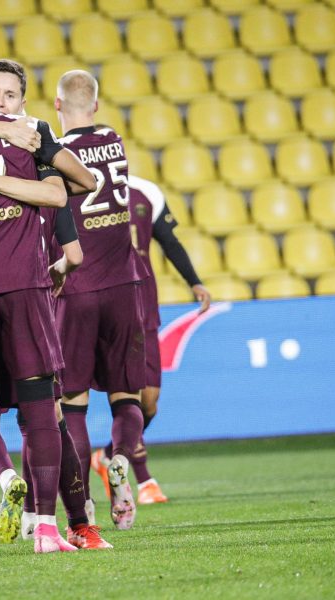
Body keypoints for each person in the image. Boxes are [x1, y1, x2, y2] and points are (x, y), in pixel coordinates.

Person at [0, 58, 110, 549]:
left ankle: (43, 526)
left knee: (18, 412)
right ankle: (36, 525)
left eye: (9, 95)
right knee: (8, 411)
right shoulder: (24, 135)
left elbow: (75, 186)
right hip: (13, 288)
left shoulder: (15, 135)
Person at [52, 70, 146, 531]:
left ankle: (84, 502)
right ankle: (121, 459)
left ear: (56, 105)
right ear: (96, 102)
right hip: (123, 285)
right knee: (126, 394)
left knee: (73, 401)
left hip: (77, 287)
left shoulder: (54, 150)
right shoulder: (115, 139)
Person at [91, 175, 211, 504]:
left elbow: (168, 241)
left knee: (149, 401)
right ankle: (142, 479)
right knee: (121, 394)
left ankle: (106, 456)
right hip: (99, 305)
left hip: (143, 304)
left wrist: (194, 281)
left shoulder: (146, 191)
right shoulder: (75, 184)